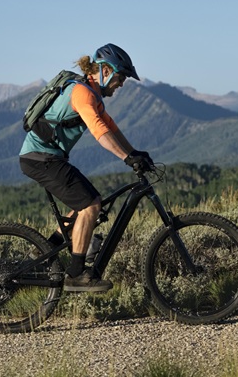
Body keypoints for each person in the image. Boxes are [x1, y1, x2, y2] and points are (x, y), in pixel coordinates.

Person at [18, 43, 154, 292]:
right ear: (105, 71)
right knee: (91, 204)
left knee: (85, 207)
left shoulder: (94, 96)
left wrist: (134, 152)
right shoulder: (83, 94)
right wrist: (127, 158)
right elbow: (100, 132)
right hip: (41, 159)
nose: (122, 83)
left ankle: (45, 257)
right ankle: (76, 274)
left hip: (48, 158)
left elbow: (112, 128)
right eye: (121, 77)